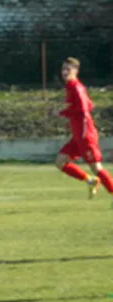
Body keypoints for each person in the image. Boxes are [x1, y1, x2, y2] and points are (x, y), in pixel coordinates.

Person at [54, 57, 113, 200]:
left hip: (85, 135)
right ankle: (90, 180)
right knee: (60, 162)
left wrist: (62, 113)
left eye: (68, 69)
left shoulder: (75, 86)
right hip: (77, 135)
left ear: (76, 71)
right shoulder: (71, 87)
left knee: (97, 168)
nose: (65, 72)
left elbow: (84, 108)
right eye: (63, 69)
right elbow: (90, 104)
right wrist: (73, 122)